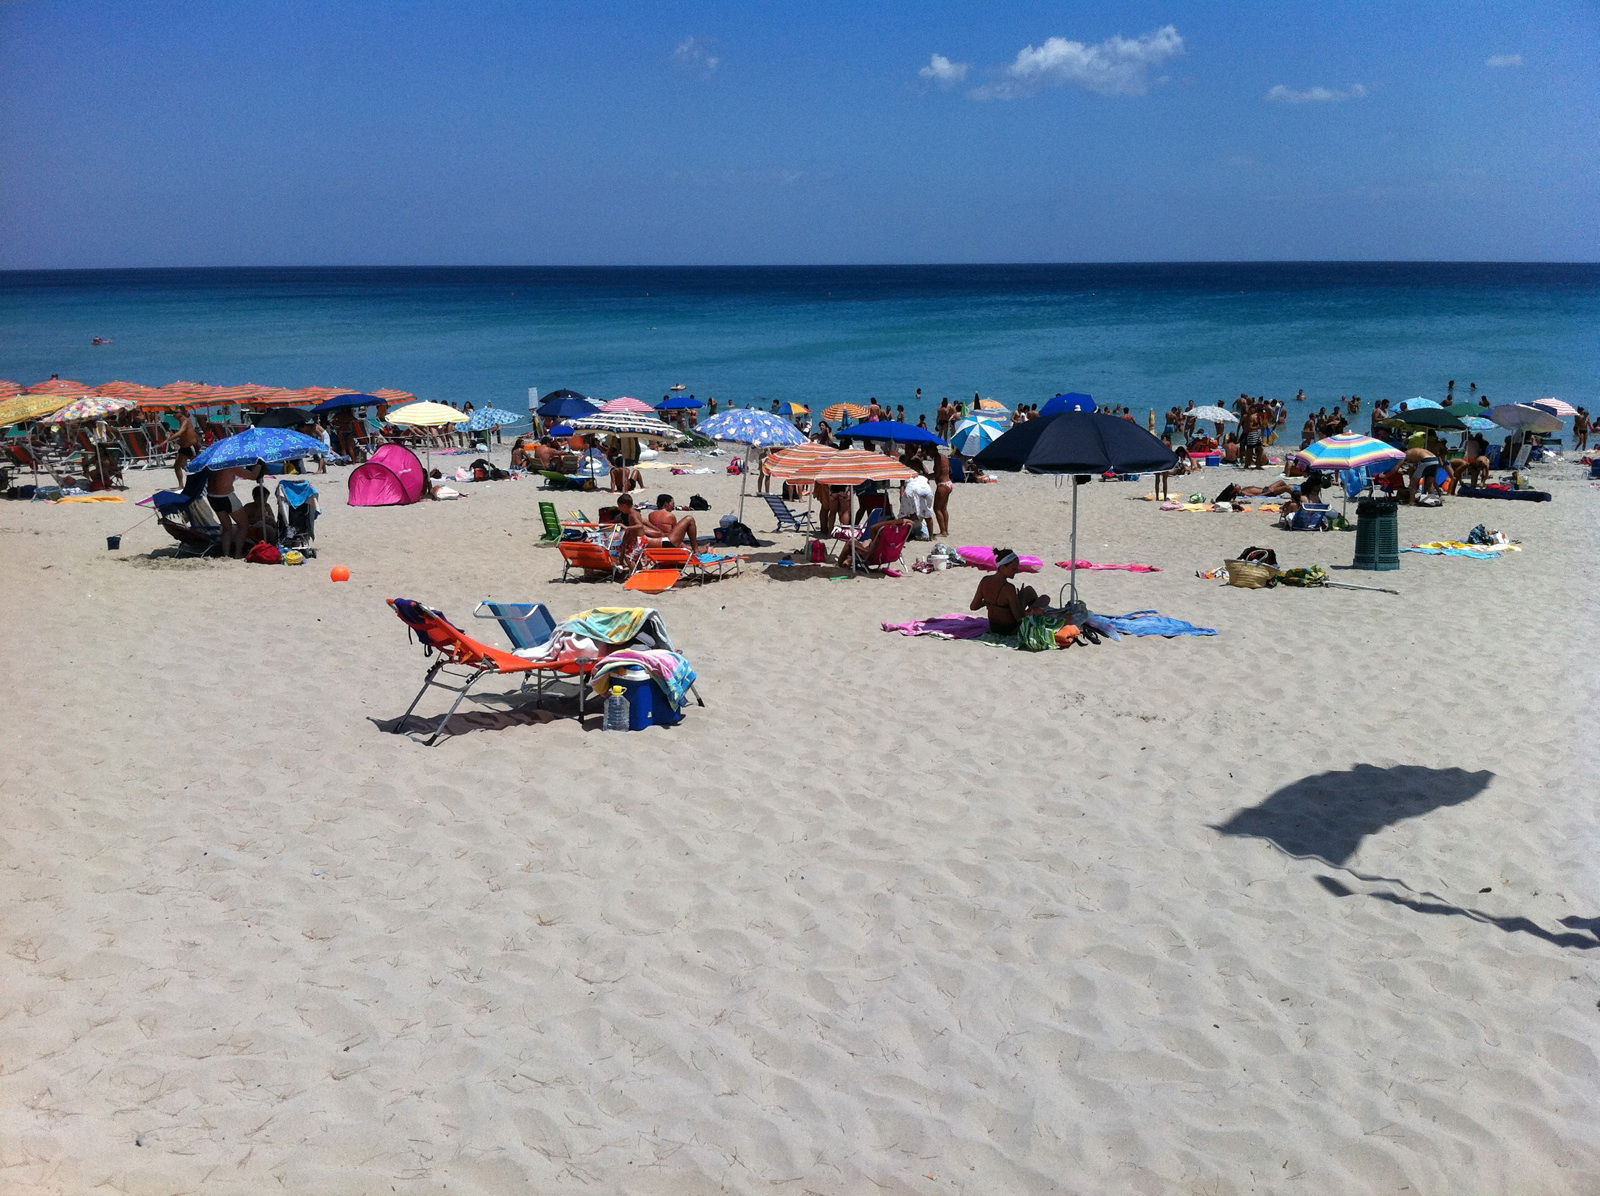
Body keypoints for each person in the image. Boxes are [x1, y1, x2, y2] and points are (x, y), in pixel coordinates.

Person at [970, 550, 1046, 634]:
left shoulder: (985, 580)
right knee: (1041, 597)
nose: (1016, 571)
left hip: (993, 627)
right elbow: (1019, 618)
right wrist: (1031, 613)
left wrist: (987, 601)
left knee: (1028, 591)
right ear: (1002, 567)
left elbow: (973, 606)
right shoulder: (1009, 588)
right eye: (1013, 568)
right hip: (1009, 629)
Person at [617, 492, 698, 556]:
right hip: (667, 544)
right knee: (689, 518)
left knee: (684, 544)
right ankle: (696, 551)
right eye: (672, 504)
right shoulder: (641, 530)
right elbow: (659, 533)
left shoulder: (632, 533)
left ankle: (697, 549)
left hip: (663, 543)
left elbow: (624, 546)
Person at [205, 466, 245, 558]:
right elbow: (252, 476)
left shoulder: (212, 465)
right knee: (243, 525)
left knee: (226, 527)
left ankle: (226, 554)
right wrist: (259, 465)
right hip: (226, 496)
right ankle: (238, 553)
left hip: (212, 496)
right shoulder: (230, 465)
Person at [173, 409, 200, 485]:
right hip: (184, 446)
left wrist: (171, 438)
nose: (173, 415)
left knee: (194, 465)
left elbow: (188, 435)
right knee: (177, 465)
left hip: (191, 446)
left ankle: (199, 482)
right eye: (173, 413)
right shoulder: (182, 421)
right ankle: (181, 485)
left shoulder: (187, 421)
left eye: (175, 413)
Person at [930, 446, 953, 537]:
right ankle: (946, 530)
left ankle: (943, 532)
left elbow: (937, 474)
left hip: (942, 485)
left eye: (928, 451)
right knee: (943, 508)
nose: (928, 454)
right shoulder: (944, 456)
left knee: (937, 508)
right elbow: (950, 470)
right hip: (949, 483)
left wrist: (926, 476)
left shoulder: (937, 458)